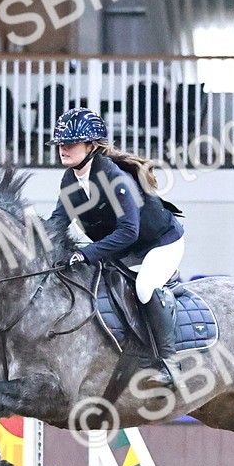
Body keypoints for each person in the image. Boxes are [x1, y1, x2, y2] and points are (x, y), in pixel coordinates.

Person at [47, 107, 185, 386]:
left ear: (91, 145)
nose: (63, 149)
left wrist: (84, 254)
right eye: (61, 144)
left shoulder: (115, 178)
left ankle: (169, 363)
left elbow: (128, 232)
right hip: (124, 248)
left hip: (159, 244)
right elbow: (57, 222)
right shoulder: (70, 180)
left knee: (145, 287)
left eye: (70, 143)